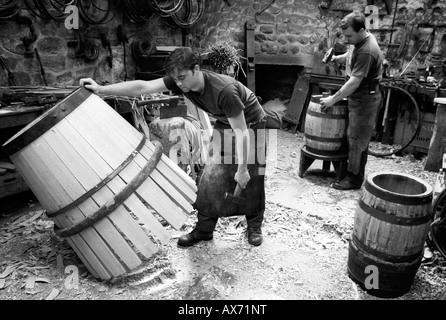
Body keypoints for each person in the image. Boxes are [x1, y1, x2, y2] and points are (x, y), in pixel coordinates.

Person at [80, 47, 267, 246]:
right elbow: (143, 87)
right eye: (174, 78)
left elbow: (242, 133)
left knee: (253, 178)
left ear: (196, 69)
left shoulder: (225, 91)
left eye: (182, 77)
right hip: (225, 121)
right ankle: (204, 230)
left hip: (252, 124)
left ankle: (254, 226)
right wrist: (101, 89)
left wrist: (242, 169)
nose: (178, 83)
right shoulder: (181, 81)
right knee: (210, 177)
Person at [320, 11, 383, 190]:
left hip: (365, 99)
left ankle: (354, 179)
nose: (347, 39)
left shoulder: (367, 50)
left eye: (349, 36)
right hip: (358, 96)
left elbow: (355, 81)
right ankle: (347, 171)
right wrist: (336, 58)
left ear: (361, 30)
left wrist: (333, 99)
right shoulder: (359, 41)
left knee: (357, 139)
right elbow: (350, 56)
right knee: (350, 136)